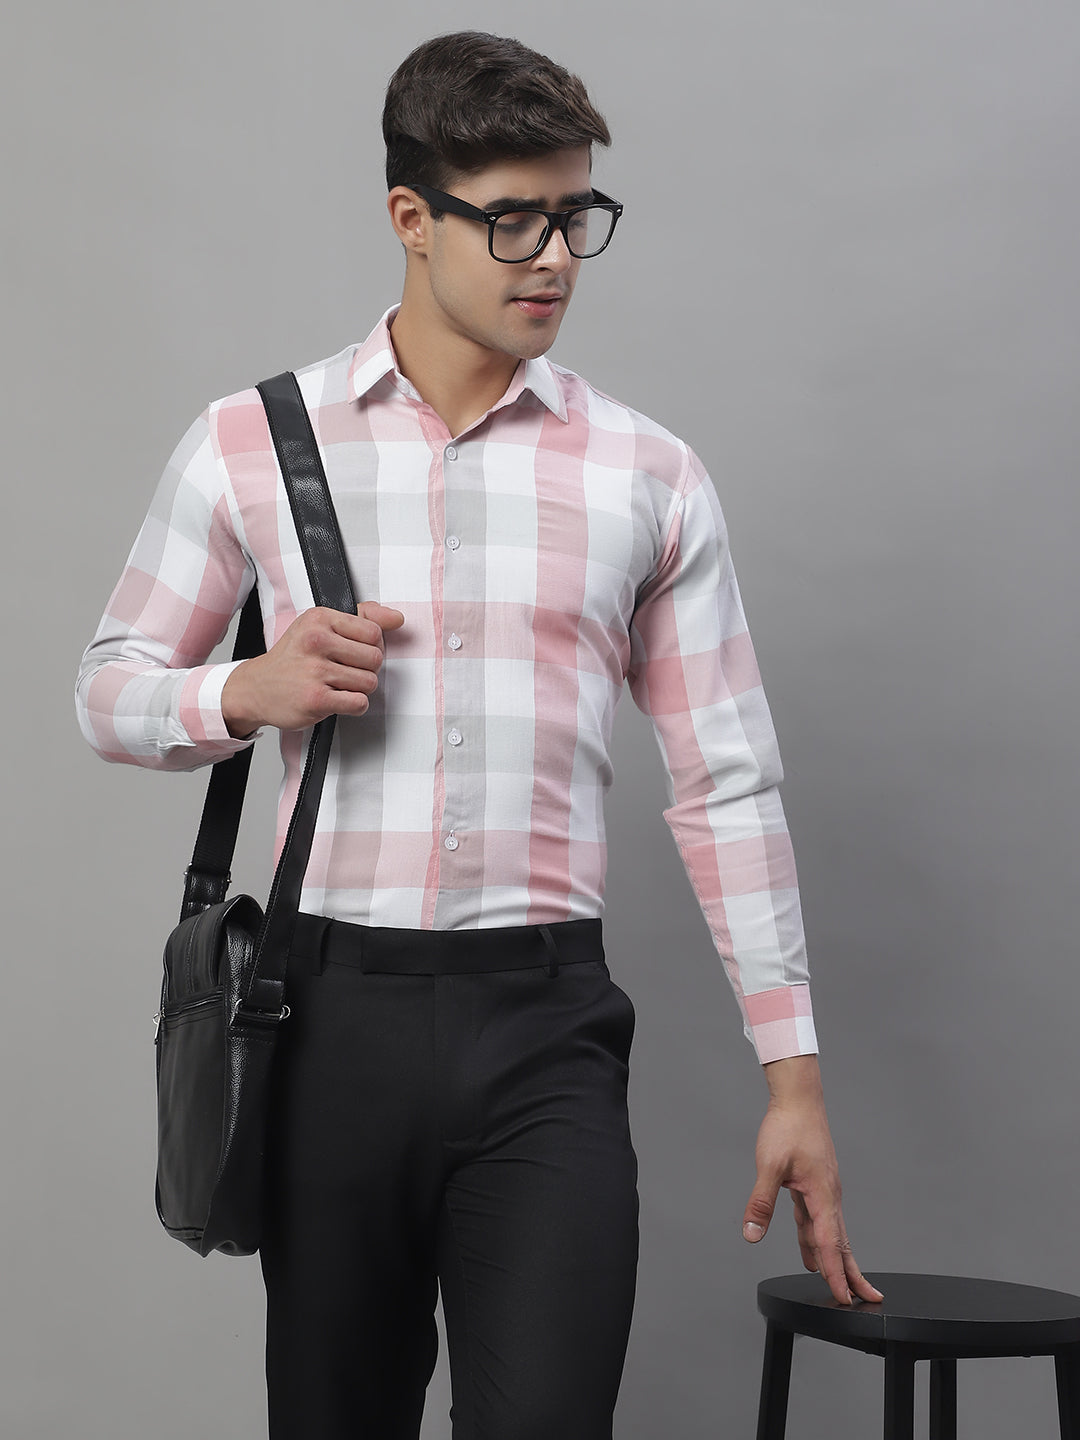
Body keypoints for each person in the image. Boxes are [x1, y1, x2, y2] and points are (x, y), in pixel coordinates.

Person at [76, 30, 881, 1440]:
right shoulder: (252, 442)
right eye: (515, 219)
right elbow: (109, 691)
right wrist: (244, 691)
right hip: (326, 1021)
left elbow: (727, 786)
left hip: (547, 1029)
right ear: (412, 216)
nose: (554, 257)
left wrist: (794, 1080)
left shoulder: (647, 473)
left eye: (577, 217)